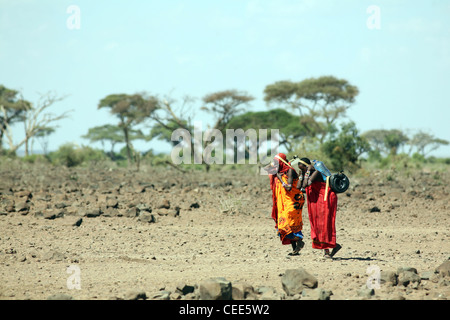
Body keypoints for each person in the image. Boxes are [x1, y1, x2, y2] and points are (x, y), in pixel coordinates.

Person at [297, 157, 342, 258]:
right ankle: (331, 247)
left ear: (307, 166)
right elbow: (297, 186)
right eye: (300, 169)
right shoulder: (304, 173)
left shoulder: (316, 172)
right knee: (317, 224)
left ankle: (329, 248)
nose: (302, 170)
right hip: (315, 200)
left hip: (324, 198)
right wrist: (301, 175)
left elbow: (305, 185)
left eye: (303, 168)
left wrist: (307, 172)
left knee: (324, 223)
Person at [266, 153, 305, 255]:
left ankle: (299, 241)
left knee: (289, 223)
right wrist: (273, 165)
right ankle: (295, 249)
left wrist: (279, 177)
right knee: (284, 225)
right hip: (284, 202)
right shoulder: (280, 171)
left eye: (277, 162)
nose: (275, 164)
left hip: (293, 202)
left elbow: (288, 187)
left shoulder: (290, 171)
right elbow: (267, 169)